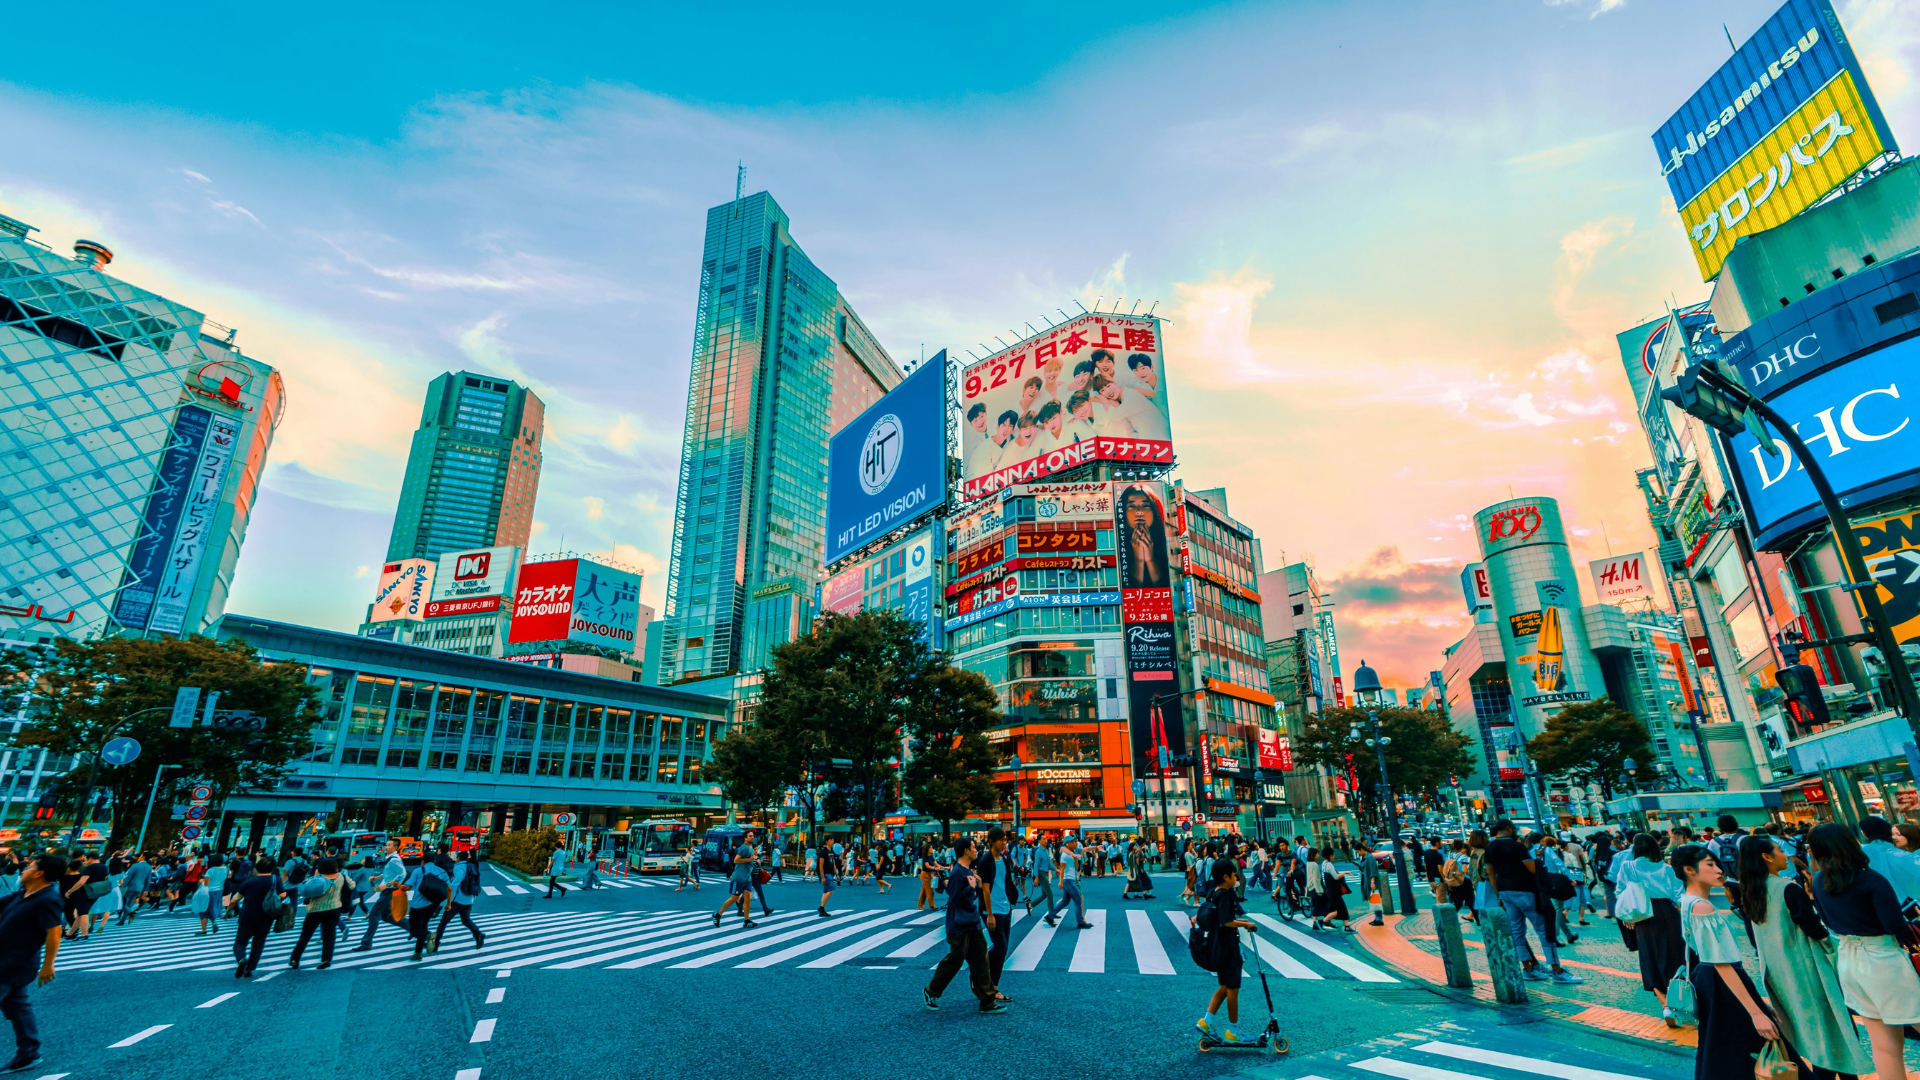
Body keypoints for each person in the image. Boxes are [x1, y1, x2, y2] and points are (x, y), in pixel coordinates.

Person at [1736, 834, 1873, 1080]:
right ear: (1766, 857)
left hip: (1780, 975)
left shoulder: (1751, 892)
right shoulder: (1787, 888)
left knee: (1814, 1034)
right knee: (1834, 1028)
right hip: (1808, 968)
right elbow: (1813, 928)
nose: (1785, 855)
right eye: (1778, 850)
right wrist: (1836, 945)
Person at [1807, 822, 1920, 1080]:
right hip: (1883, 959)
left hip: (1849, 961)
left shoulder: (1819, 881)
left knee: (1883, 1044)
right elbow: (1894, 925)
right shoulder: (1870, 879)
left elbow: (1826, 920)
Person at [1484, 820, 1580, 983]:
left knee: (1517, 929)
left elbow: (1491, 873)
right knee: (1543, 929)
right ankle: (1557, 970)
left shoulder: (1490, 847)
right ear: (1508, 828)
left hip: (1505, 891)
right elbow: (1533, 869)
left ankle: (1528, 968)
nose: (1515, 831)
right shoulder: (1517, 847)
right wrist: (1538, 859)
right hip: (1525, 891)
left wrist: (1498, 895)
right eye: (1514, 828)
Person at [921, 837, 1003, 1014]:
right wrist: (972, 888)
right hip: (959, 924)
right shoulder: (958, 872)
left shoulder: (966, 870)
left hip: (971, 922)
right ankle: (931, 991)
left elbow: (970, 898)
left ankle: (987, 1001)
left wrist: (977, 887)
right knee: (955, 960)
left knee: (981, 960)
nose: (976, 850)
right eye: (973, 847)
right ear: (966, 850)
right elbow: (955, 899)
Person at [0, 855, 66, 1073]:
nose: (24, 868)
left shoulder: (48, 899)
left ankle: (29, 1053)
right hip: (9, 961)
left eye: (29, 866)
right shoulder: (23, 894)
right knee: (18, 1007)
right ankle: (29, 1053)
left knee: (18, 1007)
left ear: (39, 873)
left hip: (13, 964)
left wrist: (49, 965)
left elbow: (54, 931)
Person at [1194, 858, 1258, 1044]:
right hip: (1227, 948)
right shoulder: (1225, 895)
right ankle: (1233, 1031)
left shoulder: (1214, 892)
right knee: (1232, 990)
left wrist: (1243, 923)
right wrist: (1246, 924)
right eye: (1234, 874)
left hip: (1218, 947)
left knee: (1223, 988)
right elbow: (1226, 921)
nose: (1236, 877)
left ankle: (1206, 1022)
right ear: (1225, 876)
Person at [288, 857, 350, 970]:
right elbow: (352, 885)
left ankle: (295, 959)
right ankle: (326, 959)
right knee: (329, 935)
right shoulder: (341, 877)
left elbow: (306, 890)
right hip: (334, 908)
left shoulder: (318, 879)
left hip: (315, 910)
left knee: (305, 935)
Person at [978, 828, 1016, 1003]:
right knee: (1000, 948)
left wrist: (1012, 900)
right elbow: (985, 889)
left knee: (1002, 948)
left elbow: (1006, 881)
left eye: (1005, 839)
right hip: (992, 911)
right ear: (992, 841)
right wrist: (990, 914)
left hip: (1005, 908)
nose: (1004, 842)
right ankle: (985, 980)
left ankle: (991, 986)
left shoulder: (1005, 859)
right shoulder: (985, 860)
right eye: (1001, 840)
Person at [231, 857, 284, 978]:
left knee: (240, 942)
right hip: (266, 916)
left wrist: (228, 911)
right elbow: (283, 895)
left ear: (257, 867)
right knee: (258, 943)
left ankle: (241, 960)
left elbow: (235, 899)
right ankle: (250, 969)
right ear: (273, 868)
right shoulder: (276, 880)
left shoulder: (250, 881)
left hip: (247, 916)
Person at [354, 841, 409, 951]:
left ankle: (366, 943)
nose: (386, 847)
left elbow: (402, 874)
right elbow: (388, 874)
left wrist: (386, 885)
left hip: (389, 891)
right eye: (386, 845)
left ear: (395, 848)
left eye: (389, 845)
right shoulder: (390, 859)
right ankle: (417, 930)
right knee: (388, 917)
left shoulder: (394, 860)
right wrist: (377, 878)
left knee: (374, 915)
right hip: (387, 891)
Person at [1859, 816, 1920, 906]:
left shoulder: (1865, 852)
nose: (1894, 837)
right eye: (1893, 834)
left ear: (1864, 833)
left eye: (1898, 834)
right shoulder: (1898, 854)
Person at [434, 849, 486, 953]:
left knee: (444, 921)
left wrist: (449, 900)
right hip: (469, 899)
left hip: (458, 900)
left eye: (456, 858)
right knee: (466, 920)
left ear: (458, 858)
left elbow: (456, 884)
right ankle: (478, 934)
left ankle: (435, 943)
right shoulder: (471, 866)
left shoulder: (458, 868)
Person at [406, 851, 452, 961]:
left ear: (423, 861)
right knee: (424, 925)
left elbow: (408, 887)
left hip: (418, 905)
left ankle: (427, 936)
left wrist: (399, 887)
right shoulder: (442, 871)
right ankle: (417, 954)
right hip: (433, 904)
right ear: (434, 861)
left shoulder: (418, 871)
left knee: (414, 930)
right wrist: (448, 903)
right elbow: (449, 888)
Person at [1043, 837, 1091, 929]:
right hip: (1068, 881)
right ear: (1067, 844)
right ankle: (1080, 922)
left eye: (1075, 842)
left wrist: (1075, 858)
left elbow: (1077, 868)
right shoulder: (1064, 856)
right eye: (1072, 842)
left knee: (1065, 901)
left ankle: (1050, 916)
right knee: (1078, 900)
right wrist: (1060, 882)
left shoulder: (1071, 854)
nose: (1075, 844)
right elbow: (1062, 869)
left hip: (1070, 880)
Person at [714, 837, 758, 928]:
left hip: (747, 879)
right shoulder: (744, 847)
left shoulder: (750, 847)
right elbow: (736, 860)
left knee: (747, 898)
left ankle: (746, 920)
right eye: (750, 836)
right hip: (738, 878)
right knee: (734, 898)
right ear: (745, 838)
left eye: (753, 835)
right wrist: (749, 859)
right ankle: (718, 915)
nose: (752, 837)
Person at [1315, 847, 1355, 933]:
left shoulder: (1324, 863)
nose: (1334, 856)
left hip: (1330, 890)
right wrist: (1345, 872)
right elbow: (1336, 877)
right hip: (1334, 891)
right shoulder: (1329, 865)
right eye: (1333, 854)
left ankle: (1347, 926)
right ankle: (1322, 921)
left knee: (1341, 909)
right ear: (1330, 855)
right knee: (1337, 910)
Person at [116, 853, 152, 926]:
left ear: (143, 857)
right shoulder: (149, 867)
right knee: (129, 903)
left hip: (130, 886)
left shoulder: (135, 865)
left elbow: (129, 877)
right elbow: (148, 880)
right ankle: (122, 920)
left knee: (122, 902)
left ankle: (131, 913)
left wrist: (123, 885)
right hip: (140, 887)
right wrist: (145, 889)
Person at [1028, 839, 1056, 916]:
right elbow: (1036, 865)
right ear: (1039, 841)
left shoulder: (1046, 851)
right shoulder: (1038, 852)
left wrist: (1055, 869)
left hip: (1045, 873)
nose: (1045, 840)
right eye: (1043, 839)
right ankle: (1051, 913)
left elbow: (1049, 863)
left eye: (1046, 839)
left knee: (1045, 894)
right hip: (1041, 874)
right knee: (1050, 893)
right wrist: (1036, 877)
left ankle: (1031, 904)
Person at [816, 838, 837, 918]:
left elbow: (833, 862)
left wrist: (836, 873)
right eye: (831, 840)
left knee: (826, 891)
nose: (832, 841)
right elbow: (821, 864)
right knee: (831, 890)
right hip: (826, 873)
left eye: (832, 840)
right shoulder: (823, 851)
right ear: (827, 841)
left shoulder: (831, 850)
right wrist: (822, 876)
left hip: (830, 872)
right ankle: (821, 908)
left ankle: (822, 908)